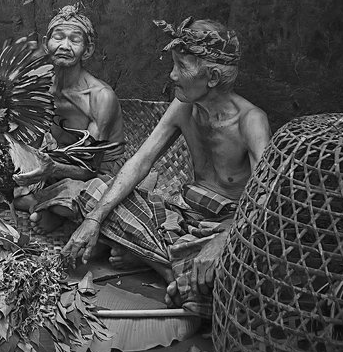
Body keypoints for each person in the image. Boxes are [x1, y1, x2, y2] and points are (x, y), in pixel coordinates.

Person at [61, 17, 271, 319]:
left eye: (181, 67)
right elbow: (140, 162)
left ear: (212, 77)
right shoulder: (183, 105)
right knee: (95, 192)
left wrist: (223, 241)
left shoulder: (251, 121)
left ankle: (162, 262)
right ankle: (175, 273)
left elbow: (265, 201)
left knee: (243, 262)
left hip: (225, 228)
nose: (172, 75)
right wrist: (93, 220)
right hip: (182, 220)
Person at [11, 5, 125, 233]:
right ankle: (45, 205)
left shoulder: (100, 97)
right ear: (46, 44)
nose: (64, 46)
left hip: (96, 172)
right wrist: (22, 166)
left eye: (74, 40)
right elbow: (31, 142)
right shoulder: (40, 87)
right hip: (54, 161)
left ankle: (52, 208)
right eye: (58, 37)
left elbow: (90, 168)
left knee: (82, 194)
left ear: (87, 50)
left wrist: (50, 170)